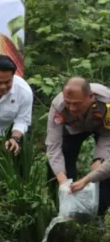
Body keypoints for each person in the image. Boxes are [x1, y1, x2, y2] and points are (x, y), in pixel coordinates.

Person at [46, 77, 110, 213]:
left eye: (77, 103)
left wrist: (100, 158)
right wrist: (61, 177)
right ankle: (61, 207)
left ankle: (100, 211)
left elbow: (108, 135)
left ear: (91, 97)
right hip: (73, 130)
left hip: (103, 129)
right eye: (68, 103)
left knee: (104, 167)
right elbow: (53, 145)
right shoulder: (58, 106)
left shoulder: (107, 102)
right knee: (60, 161)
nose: (72, 108)